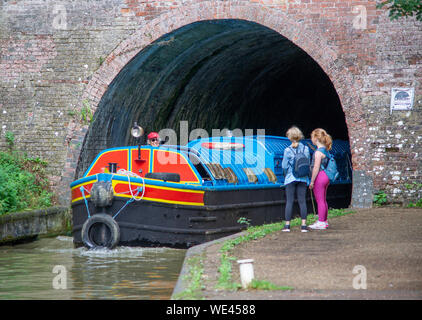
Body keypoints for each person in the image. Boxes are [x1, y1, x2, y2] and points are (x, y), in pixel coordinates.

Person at [281, 126, 310, 233]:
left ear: (289, 137)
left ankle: (287, 226)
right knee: (302, 201)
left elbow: (284, 165)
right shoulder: (306, 149)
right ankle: (303, 226)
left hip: (290, 178)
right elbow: (307, 163)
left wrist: (286, 174)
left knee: (289, 201)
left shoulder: (287, 150)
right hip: (303, 178)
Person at [308, 128, 332, 230]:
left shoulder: (318, 152)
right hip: (326, 176)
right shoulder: (326, 151)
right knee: (323, 199)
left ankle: (321, 222)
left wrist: (312, 181)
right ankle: (324, 221)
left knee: (320, 200)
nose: (311, 139)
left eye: (312, 137)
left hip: (320, 177)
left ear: (316, 138)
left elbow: (316, 167)